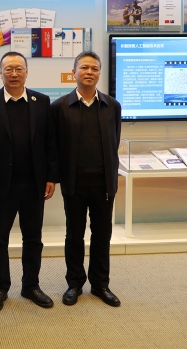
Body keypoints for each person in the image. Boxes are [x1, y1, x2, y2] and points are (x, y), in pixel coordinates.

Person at [0, 51, 59, 312]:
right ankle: (0, 288)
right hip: (0, 185)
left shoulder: (41, 101)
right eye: (8, 69)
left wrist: (51, 176)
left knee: (33, 238)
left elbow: (50, 142)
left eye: (18, 69)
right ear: (0, 73)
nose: (14, 74)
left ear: (26, 72)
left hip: (34, 183)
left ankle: (31, 285)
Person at [51, 50, 122, 308]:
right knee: (74, 235)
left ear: (99, 73)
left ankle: (100, 284)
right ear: (74, 72)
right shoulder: (60, 107)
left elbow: (114, 141)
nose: (89, 72)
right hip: (74, 184)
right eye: (84, 68)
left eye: (94, 68)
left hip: (104, 185)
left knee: (102, 235)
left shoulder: (112, 106)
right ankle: (74, 283)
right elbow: (54, 147)